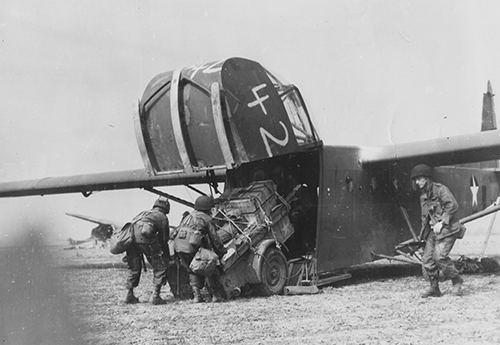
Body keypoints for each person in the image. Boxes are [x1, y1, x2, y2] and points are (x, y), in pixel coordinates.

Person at [410, 164, 464, 298]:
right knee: (427, 260)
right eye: (415, 180)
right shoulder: (423, 196)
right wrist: (423, 234)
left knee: (439, 257)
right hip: (434, 232)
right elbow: (425, 217)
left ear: (427, 179)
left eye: (419, 179)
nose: (417, 182)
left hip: (448, 230)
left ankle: (456, 280)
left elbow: (452, 205)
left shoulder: (441, 190)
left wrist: (442, 222)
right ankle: (434, 288)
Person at [174, 195, 227, 303]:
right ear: (208, 208)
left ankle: (197, 296)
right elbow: (215, 239)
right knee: (210, 266)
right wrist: (221, 253)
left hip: (179, 247)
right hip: (191, 246)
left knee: (193, 268)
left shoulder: (188, 216)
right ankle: (216, 295)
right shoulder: (206, 218)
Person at [124, 197, 171, 305]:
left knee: (134, 267)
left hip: (131, 241)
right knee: (160, 266)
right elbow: (164, 240)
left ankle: (129, 295)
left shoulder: (143, 213)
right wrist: (166, 255)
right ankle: (155, 296)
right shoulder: (162, 217)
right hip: (146, 240)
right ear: (166, 207)